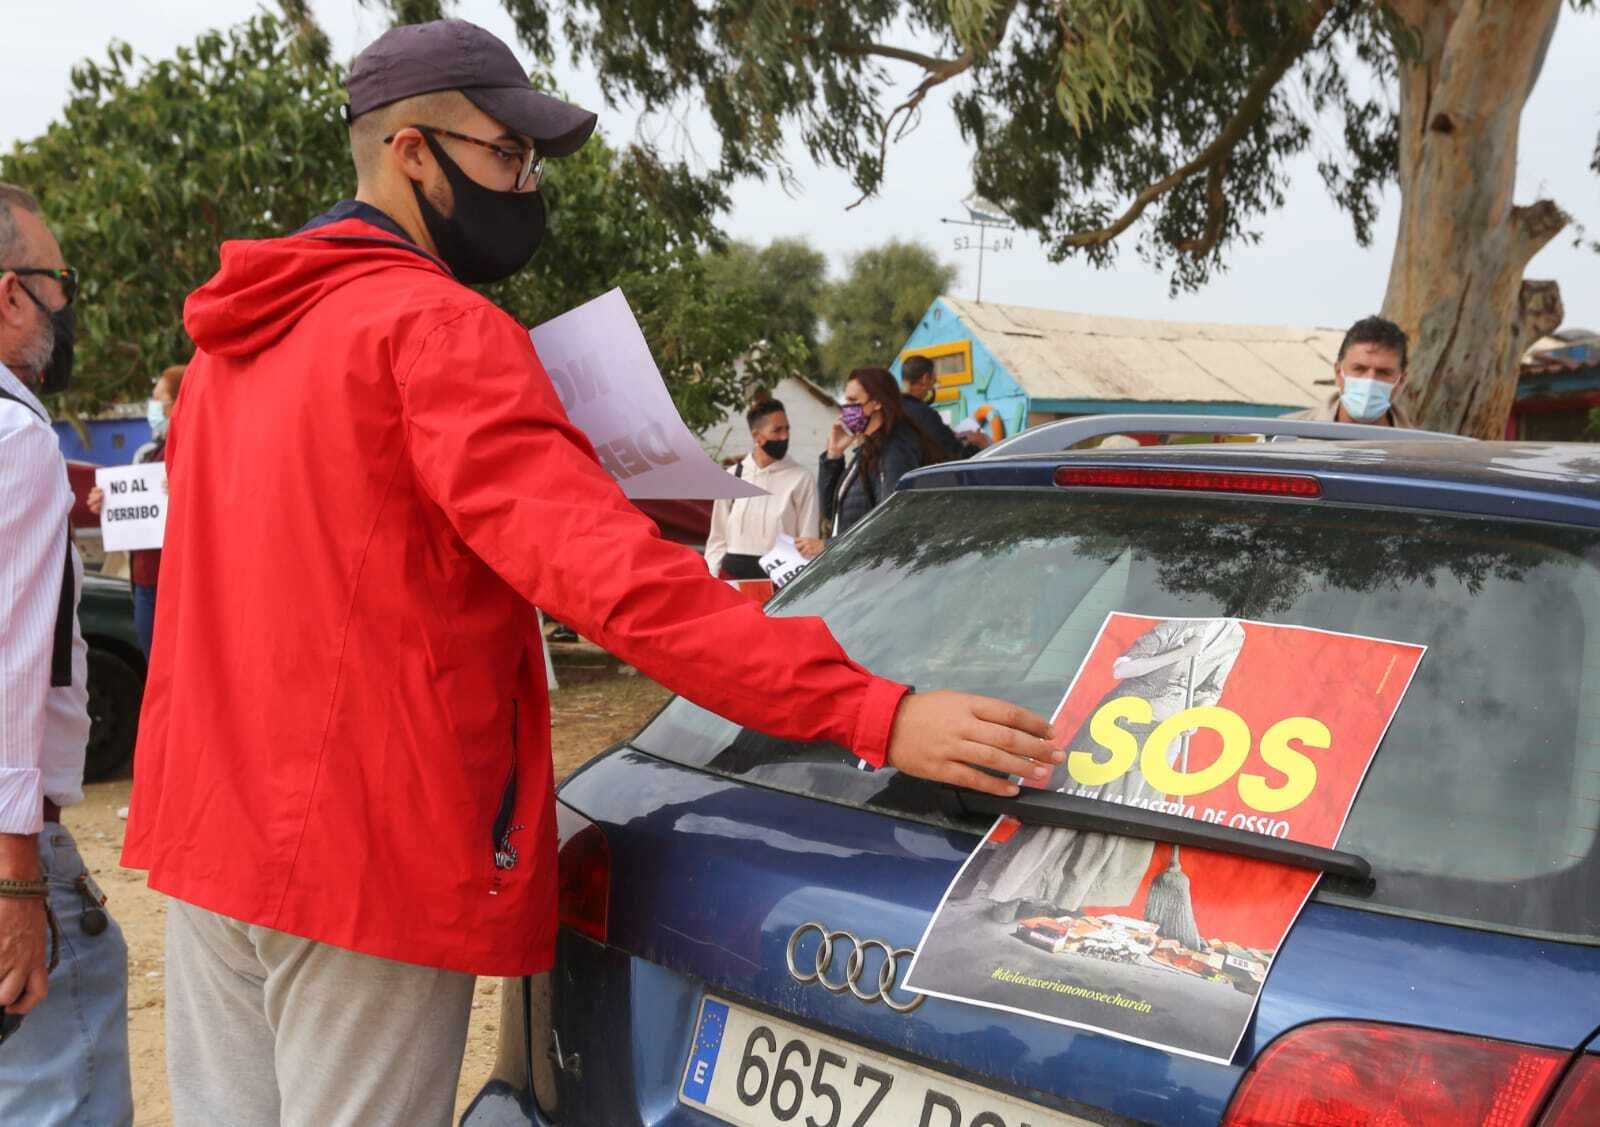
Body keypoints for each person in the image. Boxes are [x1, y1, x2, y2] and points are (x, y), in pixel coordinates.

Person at [119, 21, 1060, 1127]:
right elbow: (616, 589)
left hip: (212, 836)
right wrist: (869, 707)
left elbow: (316, 560)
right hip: (363, 857)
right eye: (507, 156)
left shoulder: (231, 351)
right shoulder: (436, 330)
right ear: (413, 151)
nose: (525, 185)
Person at [0, 183, 134, 1125]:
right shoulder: (15, 436)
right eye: (60, 281)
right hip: (8, 852)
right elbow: (10, 672)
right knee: (59, 1084)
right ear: (11, 295)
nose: (64, 308)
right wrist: (16, 883)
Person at [86, 364, 183, 657]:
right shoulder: (149, 452)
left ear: (179, 402)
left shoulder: (195, 447)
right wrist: (106, 503)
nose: (153, 406)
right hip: (145, 577)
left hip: (176, 581)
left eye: (159, 398)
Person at [819, 365, 947, 538]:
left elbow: (892, 522)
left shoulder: (895, 449)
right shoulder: (868, 449)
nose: (846, 410)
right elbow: (831, 512)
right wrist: (833, 455)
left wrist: (826, 547)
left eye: (853, 401)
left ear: (877, 402)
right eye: (846, 401)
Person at [704, 397, 821, 577]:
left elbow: (808, 543)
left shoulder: (802, 478)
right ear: (757, 436)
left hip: (780, 577)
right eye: (777, 430)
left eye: (787, 429)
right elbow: (717, 540)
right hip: (734, 576)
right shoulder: (732, 477)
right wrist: (711, 578)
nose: (785, 436)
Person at [1292, 315, 1413, 426]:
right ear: (1339, 373)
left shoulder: (1420, 446)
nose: (1370, 380)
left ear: (1401, 381)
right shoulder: (1286, 434)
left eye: (1383, 372)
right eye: (1359, 369)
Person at [901, 353, 989, 458]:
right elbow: (955, 453)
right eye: (934, 379)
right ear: (925, 379)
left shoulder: (896, 409)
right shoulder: (925, 415)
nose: (934, 384)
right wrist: (981, 443)